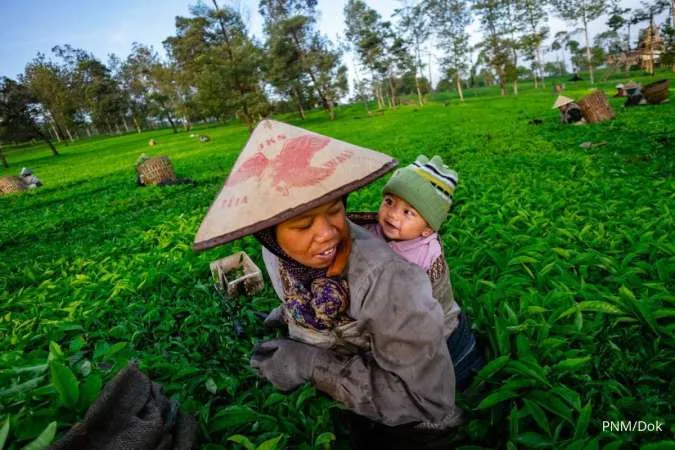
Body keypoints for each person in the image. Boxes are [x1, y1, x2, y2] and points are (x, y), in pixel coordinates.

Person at [193, 120, 462, 449]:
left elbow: (426, 401)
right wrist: (294, 311)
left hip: (432, 360)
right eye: (304, 224)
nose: (328, 234)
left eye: (335, 210)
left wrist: (311, 365)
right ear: (267, 233)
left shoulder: (388, 280)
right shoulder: (276, 252)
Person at [349, 155, 483, 391]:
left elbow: (419, 302)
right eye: (389, 201)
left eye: (408, 212)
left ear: (428, 228)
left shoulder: (426, 254)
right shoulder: (374, 230)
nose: (393, 214)